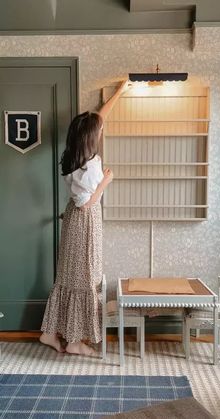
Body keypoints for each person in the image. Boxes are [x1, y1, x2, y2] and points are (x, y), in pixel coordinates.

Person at [40, 80, 128, 355]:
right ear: (91, 137)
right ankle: (75, 341)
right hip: (84, 221)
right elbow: (88, 202)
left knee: (69, 277)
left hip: (78, 221)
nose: (102, 130)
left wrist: (119, 93)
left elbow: (100, 118)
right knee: (84, 278)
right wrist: (107, 181)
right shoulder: (88, 168)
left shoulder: (74, 156)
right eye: (99, 131)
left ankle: (51, 333)